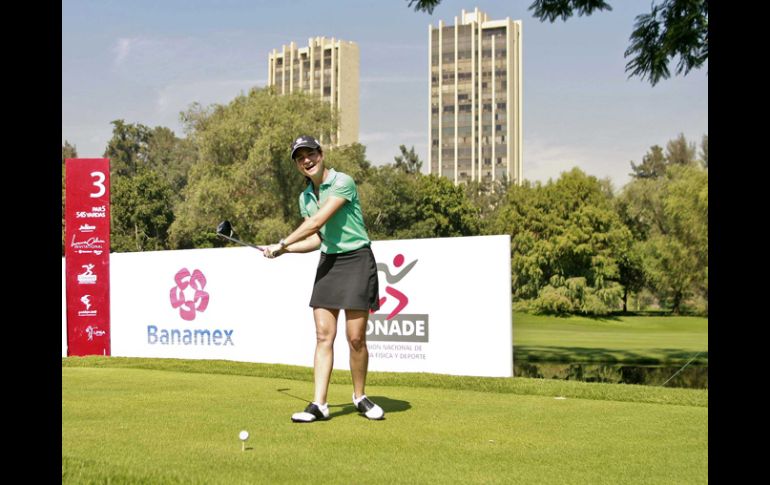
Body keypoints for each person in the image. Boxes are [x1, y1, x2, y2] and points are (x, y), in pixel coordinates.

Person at [263, 135, 384, 423]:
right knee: (322, 335)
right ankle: (319, 404)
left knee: (355, 338)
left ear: (321, 153)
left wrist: (282, 242)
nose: (307, 160)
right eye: (300, 157)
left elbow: (316, 222)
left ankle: (360, 396)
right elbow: (317, 238)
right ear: (297, 165)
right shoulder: (305, 197)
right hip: (329, 262)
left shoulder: (343, 182)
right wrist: (286, 251)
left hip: (356, 259)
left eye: (311, 153)